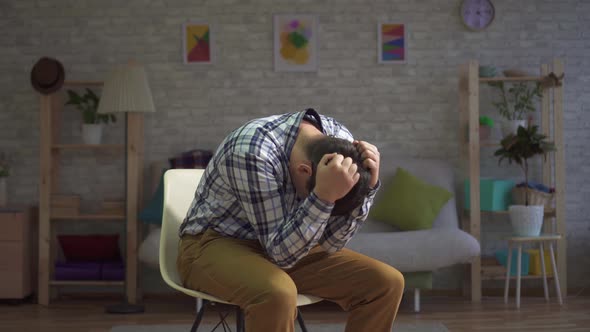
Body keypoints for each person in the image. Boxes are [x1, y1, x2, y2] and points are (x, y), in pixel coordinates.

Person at [177, 108, 404, 332]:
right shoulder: (251, 152)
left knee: (385, 283)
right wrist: (323, 197)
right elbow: (281, 254)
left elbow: (331, 244)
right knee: (277, 293)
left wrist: (369, 189)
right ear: (304, 170)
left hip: (288, 240)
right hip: (213, 242)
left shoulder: (342, 142)